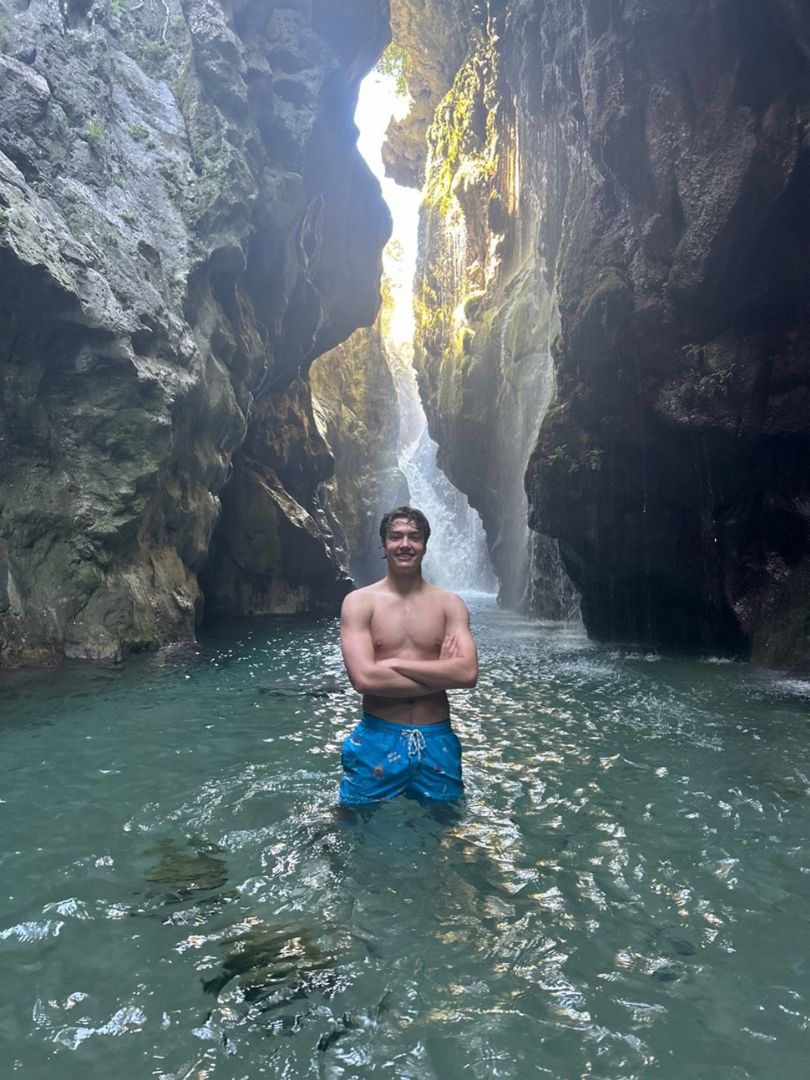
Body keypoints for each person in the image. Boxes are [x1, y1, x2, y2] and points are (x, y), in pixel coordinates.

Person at [338, 506, 479, 807]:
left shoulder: (450, 604)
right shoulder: (359, 603)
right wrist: (441, 670)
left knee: (448, 825)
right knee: (352, 825)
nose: (405, 544)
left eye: (414, 537)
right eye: (396, 537)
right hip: (377, 738)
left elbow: (467, 674)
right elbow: (364, 679)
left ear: (425, 544)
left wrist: (394, 664)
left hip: (437, 740)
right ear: (383, 545)